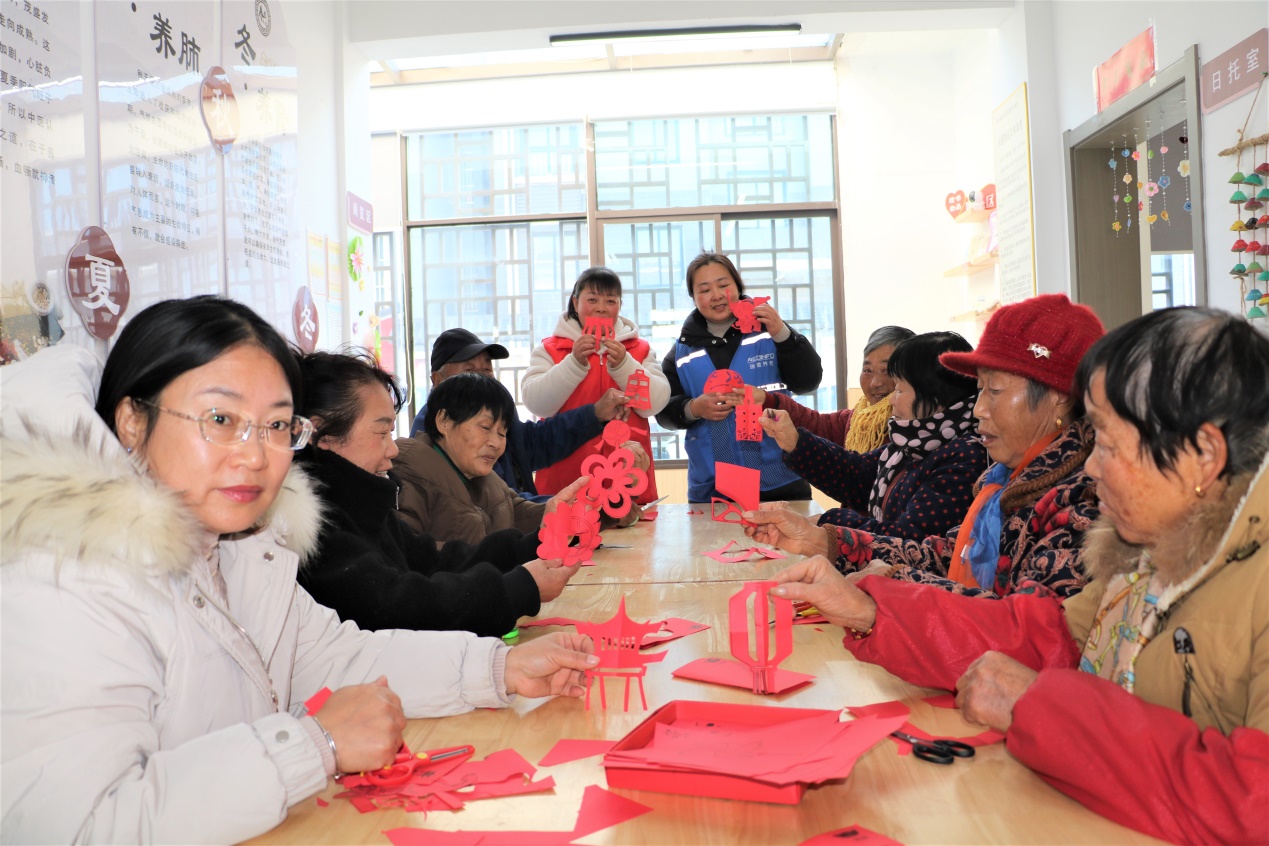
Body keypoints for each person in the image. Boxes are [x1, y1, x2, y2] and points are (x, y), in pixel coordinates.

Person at [0, 298, 597, 844]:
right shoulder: (62, 578)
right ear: (133, 420)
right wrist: (316, 744)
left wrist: (499, 668)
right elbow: (77, 824)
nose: (255, 454)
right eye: (220, 420)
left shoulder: (242, 547)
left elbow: (341, 657)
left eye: (278, 426)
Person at [766, 307, 1269, 845]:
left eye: (1109, 443)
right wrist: (873, 610)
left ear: (1203, 455)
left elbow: (1253, 799)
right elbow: (1047, 635)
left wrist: (1043, 710)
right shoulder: (1149, 550)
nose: (1092, 466)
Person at [748, 294, 1105, 598]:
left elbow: (1025, 626)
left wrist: (883, 591)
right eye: (980, 390)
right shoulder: (1001, 477)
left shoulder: (1079, 501)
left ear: (1058, 396)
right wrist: (825, 541)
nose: (979, 409)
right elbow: (946, 554)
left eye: (994, 390)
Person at [295, 349, 579, 638]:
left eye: (502, 432)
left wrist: (540, 541)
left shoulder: (362, 503)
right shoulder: (310, 531)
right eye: (381, 433)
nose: (392, 449)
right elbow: (398, 606)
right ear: (321, 434)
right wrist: (517, 588)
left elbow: (435, 561)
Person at [760, 331, 987, 541]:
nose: (891, 399)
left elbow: (909, 539)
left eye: (900, 389)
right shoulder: (912, 443)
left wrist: (826, 523)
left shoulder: (964, 459)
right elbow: (856, 476)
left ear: (935, 396)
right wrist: (793, 441)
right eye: (868, 370)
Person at [395, 372, 650, 545]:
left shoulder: (489, 482)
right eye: (485, 427)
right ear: (443, 421)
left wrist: (611, 499)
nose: (496, 443)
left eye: (502, 433)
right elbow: (409, 560)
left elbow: (537, 518)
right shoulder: (409, 477)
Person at [656, 251, 824, 502]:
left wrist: (783, 334)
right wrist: (694, 408)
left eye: (723, 285)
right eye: (704, 290)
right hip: (713, 490)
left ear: (738, 286)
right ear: (693, 297)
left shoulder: (771, 331)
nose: (716, 295)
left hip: (782, 481)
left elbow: (809, 381)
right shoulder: (682, 353)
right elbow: (663, 412)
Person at [410, 328, 629, 502]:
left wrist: (596, 413)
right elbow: (502, 505)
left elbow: (538, 442)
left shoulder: (496, 412)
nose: (481, 379)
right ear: (437, 380)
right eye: (469, 371)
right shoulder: (435, 433)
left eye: (486, 370)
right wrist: (584, 506)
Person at [521, 267, 669, 503]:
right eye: (592, 300)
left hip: (628, 481)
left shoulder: (638, 350)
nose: (601, 308)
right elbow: (537, 403)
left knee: (634, 527)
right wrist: (573, 363)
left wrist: (624, 365)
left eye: (610, 301)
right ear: (575, 302)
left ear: (619, 305)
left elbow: (652, 405)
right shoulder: (550, 349)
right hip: (565, 482)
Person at [754, 325, 914, 455]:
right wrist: (767, 400)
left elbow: (855, 470)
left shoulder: (913, 429)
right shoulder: (857, 418)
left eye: (887, 371)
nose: (875, 383)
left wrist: (796, 444)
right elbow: (817, 424)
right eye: (867, 370)